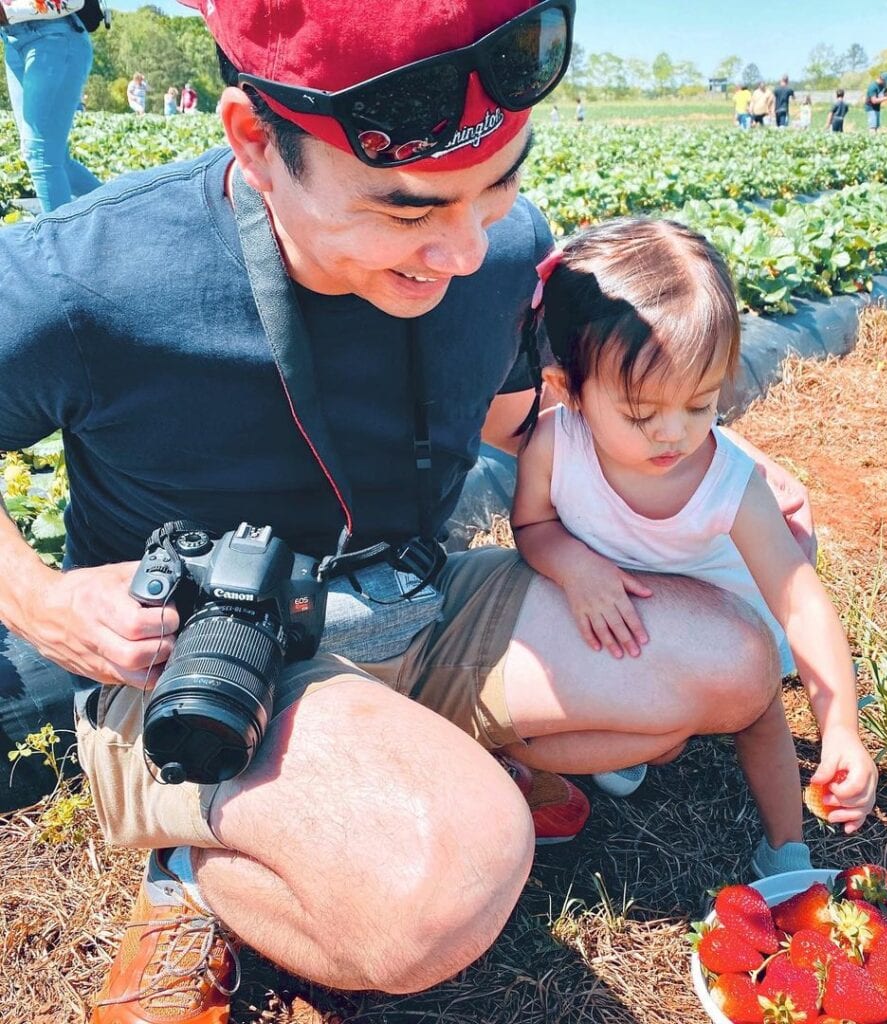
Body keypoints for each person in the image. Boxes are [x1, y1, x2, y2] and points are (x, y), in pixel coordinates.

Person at [0, 1, 821, 1019]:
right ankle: (193, 866)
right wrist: (36, 597)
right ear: (256, 142)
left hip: (420, 605)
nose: (466, 250)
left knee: (732, 662)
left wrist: (720, 464)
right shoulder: (91, 274)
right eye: (406, 211)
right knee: (453, 885)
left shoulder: (502, 251)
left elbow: (524, 424)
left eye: (498, 186)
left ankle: (393, 770)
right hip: (204, 667)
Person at [510, 216, 877, 860]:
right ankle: (645, 731)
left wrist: (839, 723)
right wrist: (573, 564)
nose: (673, 435)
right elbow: (532, 527)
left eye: (701, 404)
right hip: (630, 607)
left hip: (724, 622)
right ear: (568, 389)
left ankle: (786, 849)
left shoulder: (730, 483)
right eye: (640, 414)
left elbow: (800, 601)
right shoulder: (552, 444)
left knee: (759, 708)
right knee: (594, 700)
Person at [0, 0, 102, 212]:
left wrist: (9, 11)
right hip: (13, 42)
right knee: (53, 158)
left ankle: (60, 242)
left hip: (55, 36)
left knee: (40, 154)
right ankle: (122, 212)